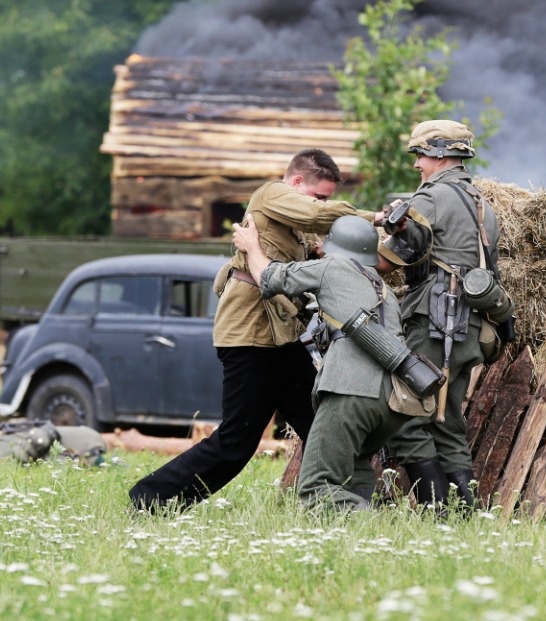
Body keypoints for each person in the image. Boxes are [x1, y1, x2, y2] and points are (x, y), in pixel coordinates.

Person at [129, 148, 387, 511]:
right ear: (296, 181)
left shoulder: (295, 220)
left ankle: (339, 505)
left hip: (282, 338)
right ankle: (150, 499)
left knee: (322, 424)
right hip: (250, 334)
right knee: (236, 442)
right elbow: (318, 215)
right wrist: (376, 218)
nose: (322, 203)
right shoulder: (272, 194)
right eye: (319, 195)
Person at [233, 212, 421, 510]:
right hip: (393, 400)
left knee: (317, 487)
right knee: (356, 466)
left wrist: (251, 245)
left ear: (335, 245)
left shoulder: (333, 266)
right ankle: (367, 532)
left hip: (351, 391)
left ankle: (370, 523)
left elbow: (269, 278)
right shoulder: (381, 287)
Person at [378, 120, 507, 510]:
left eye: (420, 154)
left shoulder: (431, 197)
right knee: (447, 424)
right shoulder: (482, 203)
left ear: (438, 154)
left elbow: (389, 260)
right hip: (470, 327)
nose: (417, 164)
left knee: (407, 416)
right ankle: (464, 517)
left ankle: (437, 512)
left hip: (434, 323)